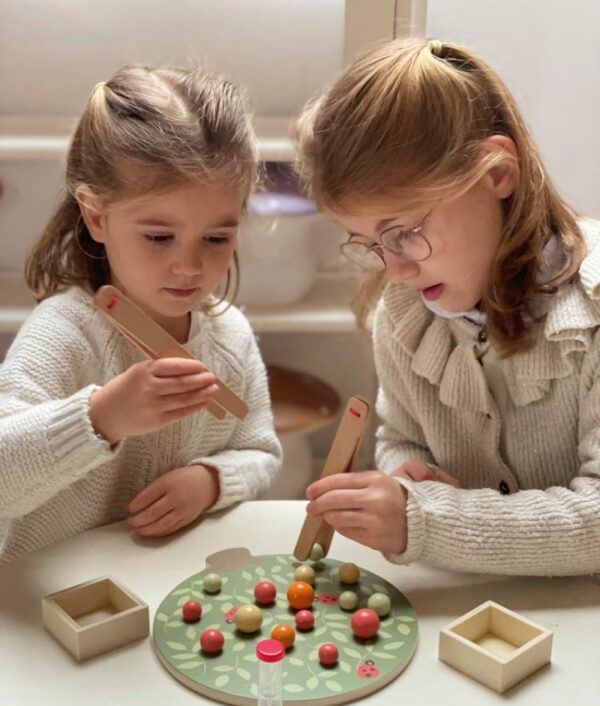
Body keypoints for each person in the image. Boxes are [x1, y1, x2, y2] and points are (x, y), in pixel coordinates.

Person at [295, 38, 600, 575]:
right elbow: (401, 437)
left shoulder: (590, 316)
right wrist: (405, 477)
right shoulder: (405, 316)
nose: (394, 270)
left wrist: (427, 522)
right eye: (367, 242)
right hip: (464, 605)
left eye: (405, 232)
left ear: (496, 174)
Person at [0, 65, 281, 564]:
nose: (189, 266)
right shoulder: (65, 335)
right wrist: (101, 418)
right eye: (158, 236)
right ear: (96, 216)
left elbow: (261, 452)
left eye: (217, 238)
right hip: (46, 601)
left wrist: (211, 482)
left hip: (164, 585)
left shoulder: (229, 336)